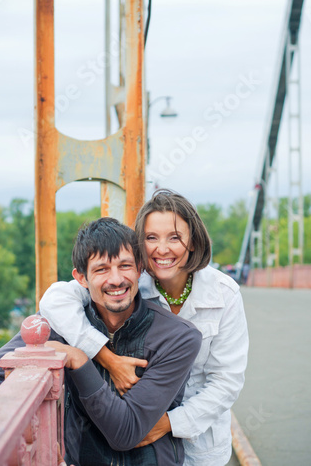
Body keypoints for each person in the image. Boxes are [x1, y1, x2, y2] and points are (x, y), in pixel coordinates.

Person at [0, 217, 202, 466]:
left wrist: (78, 358)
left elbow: (126, 433)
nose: (116, 279)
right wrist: (35, 435)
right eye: (101, 269)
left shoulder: (178, 337)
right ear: (81, 278)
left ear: (140, 267)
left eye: (125, 266)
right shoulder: (63, 322)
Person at [40, 189, 249, 466]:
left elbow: (226, 380)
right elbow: (55, 299)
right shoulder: (129, 281)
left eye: (174, 237)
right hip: (143, 443)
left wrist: (169, 422)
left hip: (198, 441)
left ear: (194, 242)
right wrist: (105, 357)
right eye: (151, 238)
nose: (162, 249)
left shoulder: (224, 293)